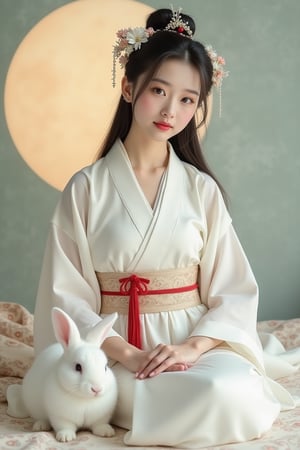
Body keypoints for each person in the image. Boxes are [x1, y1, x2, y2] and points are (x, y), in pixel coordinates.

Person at [33, 7, 295, 448]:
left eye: (188, 99)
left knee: (224, 391)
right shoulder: (85, 188)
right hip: (111, 355)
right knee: (132, 395)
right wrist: (129, 356)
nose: (171, 110)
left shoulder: (201, 189)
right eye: (159, 90)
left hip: (194, 346)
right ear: (129, 88)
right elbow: (67, 296)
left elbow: (233, 291)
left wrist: (192, 348)